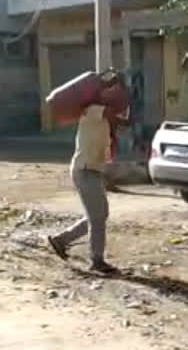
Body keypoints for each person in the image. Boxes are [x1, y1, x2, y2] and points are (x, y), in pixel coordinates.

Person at [48, 72, 130, 275]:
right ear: (102, 91)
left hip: (90, 170)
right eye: (112, 89)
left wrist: (122, 100)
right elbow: (119, 118)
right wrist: (121, 98)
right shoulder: (94, 109)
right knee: (98, 216)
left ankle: (61, 240)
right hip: (84, 170)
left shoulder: (101, 110)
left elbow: (123, 121)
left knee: (98, 215)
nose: (115, 93)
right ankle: (97, 260)